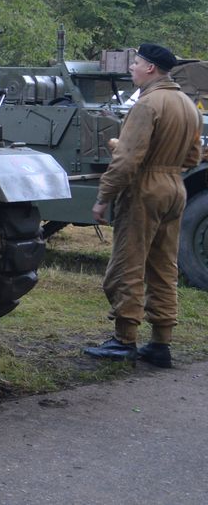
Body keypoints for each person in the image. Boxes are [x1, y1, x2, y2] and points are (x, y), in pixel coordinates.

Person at [85, 43, 202, 367]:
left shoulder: (147, 104)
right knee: (164, 267)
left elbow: (126, 162)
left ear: (150, 68)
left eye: (135, 63)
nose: (131, 68)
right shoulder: (188, 104)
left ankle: (124, 339)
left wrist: (103, 197)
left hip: (145, 189)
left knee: (128, 264)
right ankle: (161, 342)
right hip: (175, 186)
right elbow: (193, 157)